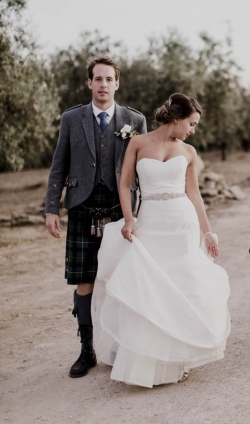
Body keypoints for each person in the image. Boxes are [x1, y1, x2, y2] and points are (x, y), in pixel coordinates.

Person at [91, 93, 231, 387]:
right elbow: (125, 184)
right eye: (191, 123)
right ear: (176, 118)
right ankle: (148, 357)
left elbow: (194, 194)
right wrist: (129, 219)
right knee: (151, 286)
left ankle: (179, 357)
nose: (193, 130)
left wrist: (207, 232)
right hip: (151, 222)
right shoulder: (138, 143)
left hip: (182, 225)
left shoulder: (189, 151)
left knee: (181, 286)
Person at [45, 56, 147, 378]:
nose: (103, 85)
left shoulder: (135, 120)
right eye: (98, 79)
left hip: (120, 210)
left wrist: (144, 212)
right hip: (81, 208)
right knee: (85, 280)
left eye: (109, 79)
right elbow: (59, 165)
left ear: (117, 83)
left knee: (124, 278)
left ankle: (125, 347)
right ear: (89, 83)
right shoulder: (71, 119)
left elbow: (143, 169)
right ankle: (86, 351)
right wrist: (51, 208)